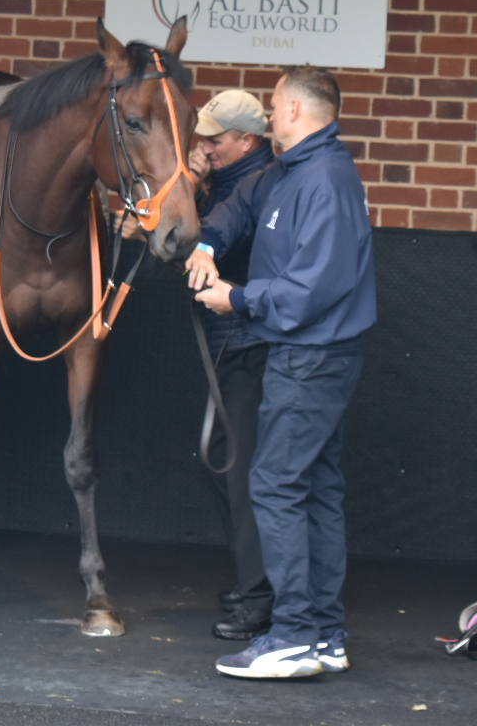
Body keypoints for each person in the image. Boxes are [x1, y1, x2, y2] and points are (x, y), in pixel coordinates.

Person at [189, 66, 376, 680]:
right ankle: (323, 634)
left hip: (310, 356)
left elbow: (311, 288)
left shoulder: (323, 178)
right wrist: (207, 246)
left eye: (274, 106)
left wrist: (237, 299)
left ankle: (293, 634)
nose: (269, 116)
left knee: (274, 484)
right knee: (316, 487)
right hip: (310, 353)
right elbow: (239, 208)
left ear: (295, 110)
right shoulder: (296, 173)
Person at [186, 90, 277, 642]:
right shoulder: (232, 181)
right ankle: (254, 584)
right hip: (236, 343)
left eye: (215, 140)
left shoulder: (252, 183)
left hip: (251, 343)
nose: (205, 147)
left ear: (247, 141)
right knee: (223, 460)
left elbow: (211, 238)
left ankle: (261, 597)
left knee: (241, 470)